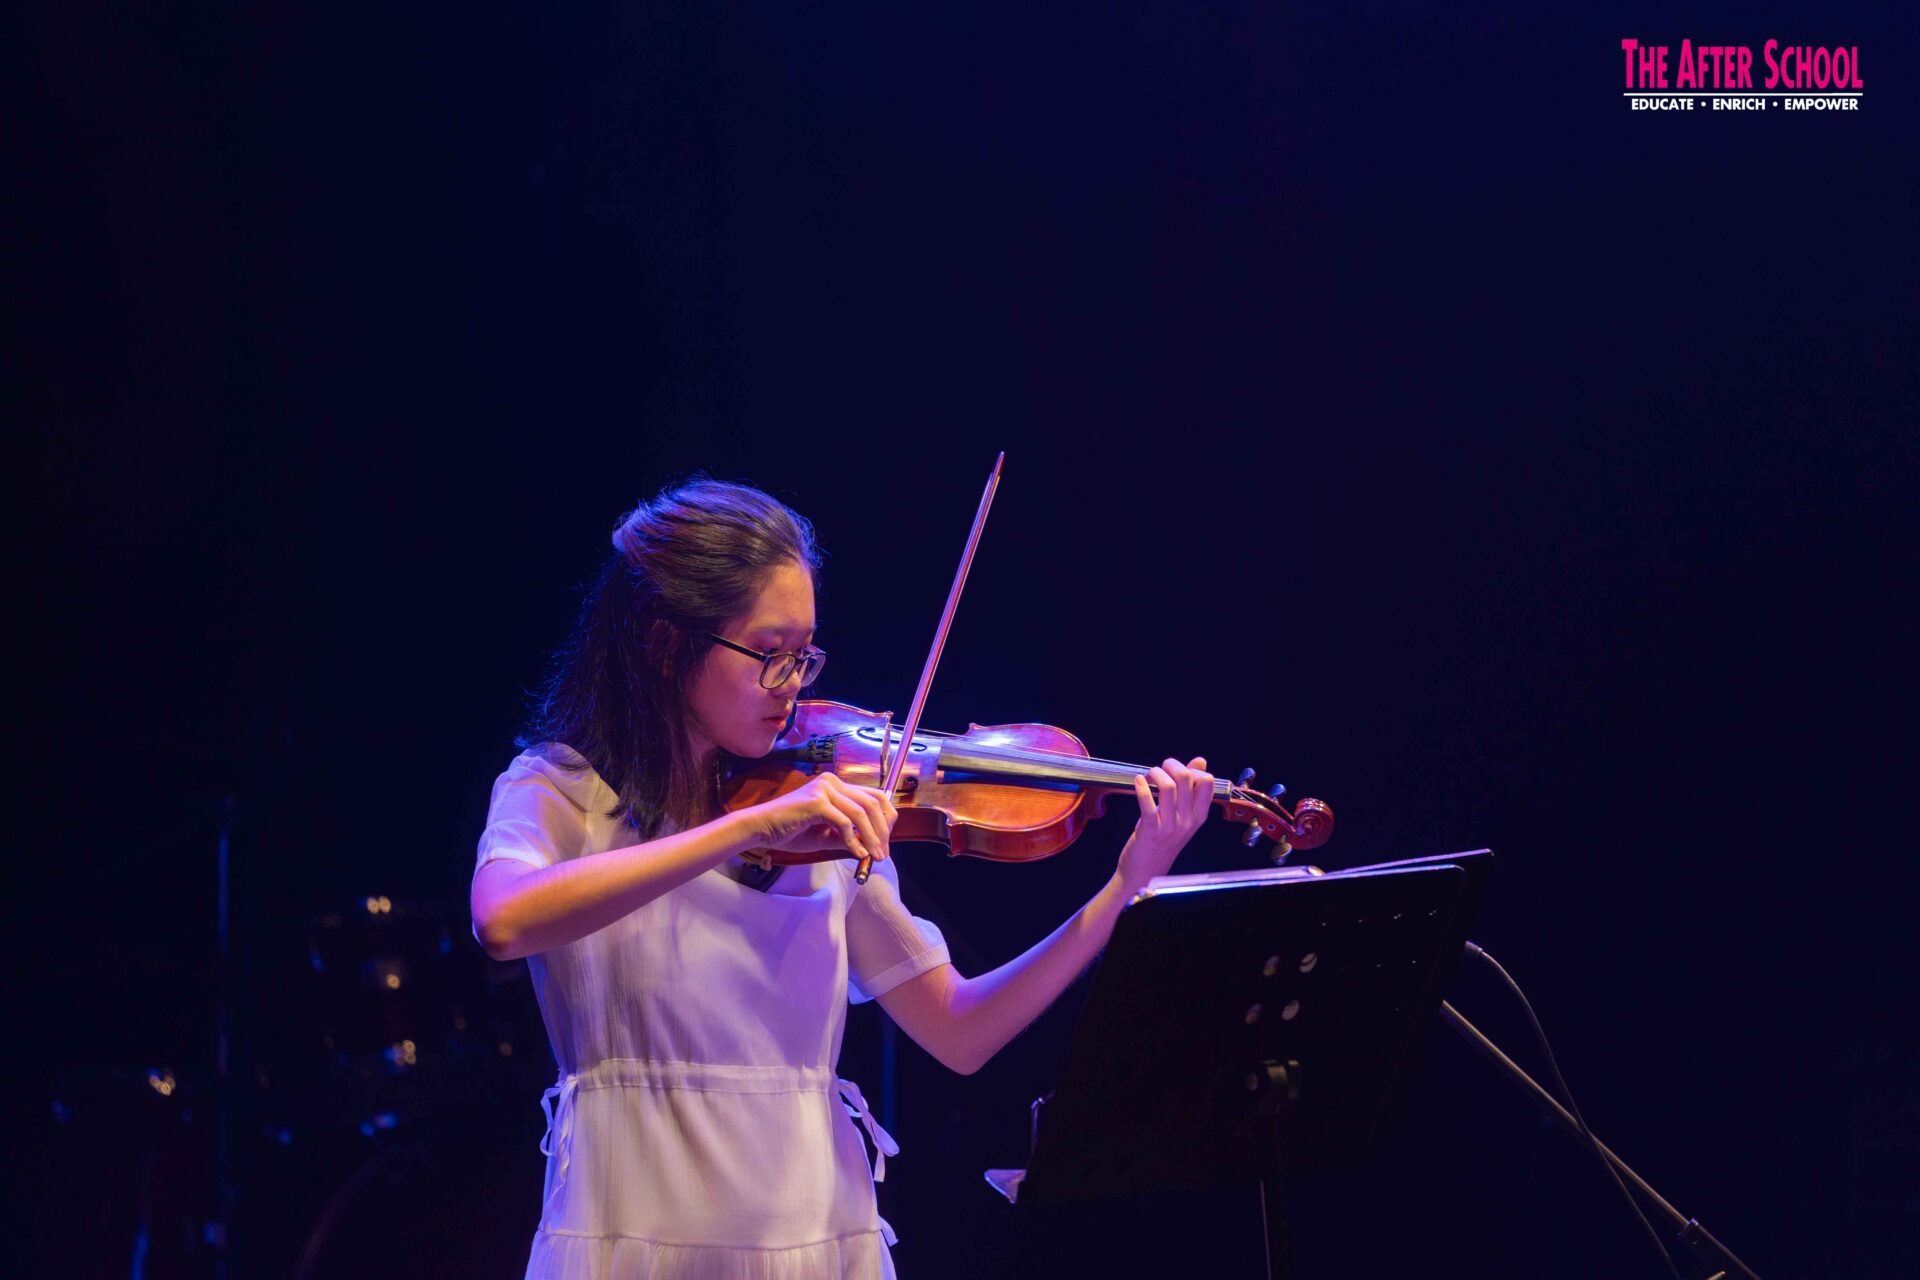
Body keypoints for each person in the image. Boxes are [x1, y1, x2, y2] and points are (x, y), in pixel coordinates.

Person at [471, 478, 1214, 1280]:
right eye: (770, 654)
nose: (794, 683)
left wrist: (1122, 890)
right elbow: (503, 921)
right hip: (628, 1241)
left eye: (804, 655)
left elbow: (961, 1032)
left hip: (817, 1246)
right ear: (664, 644)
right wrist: (747, 827)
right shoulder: (559, 792)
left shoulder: (823, 820)